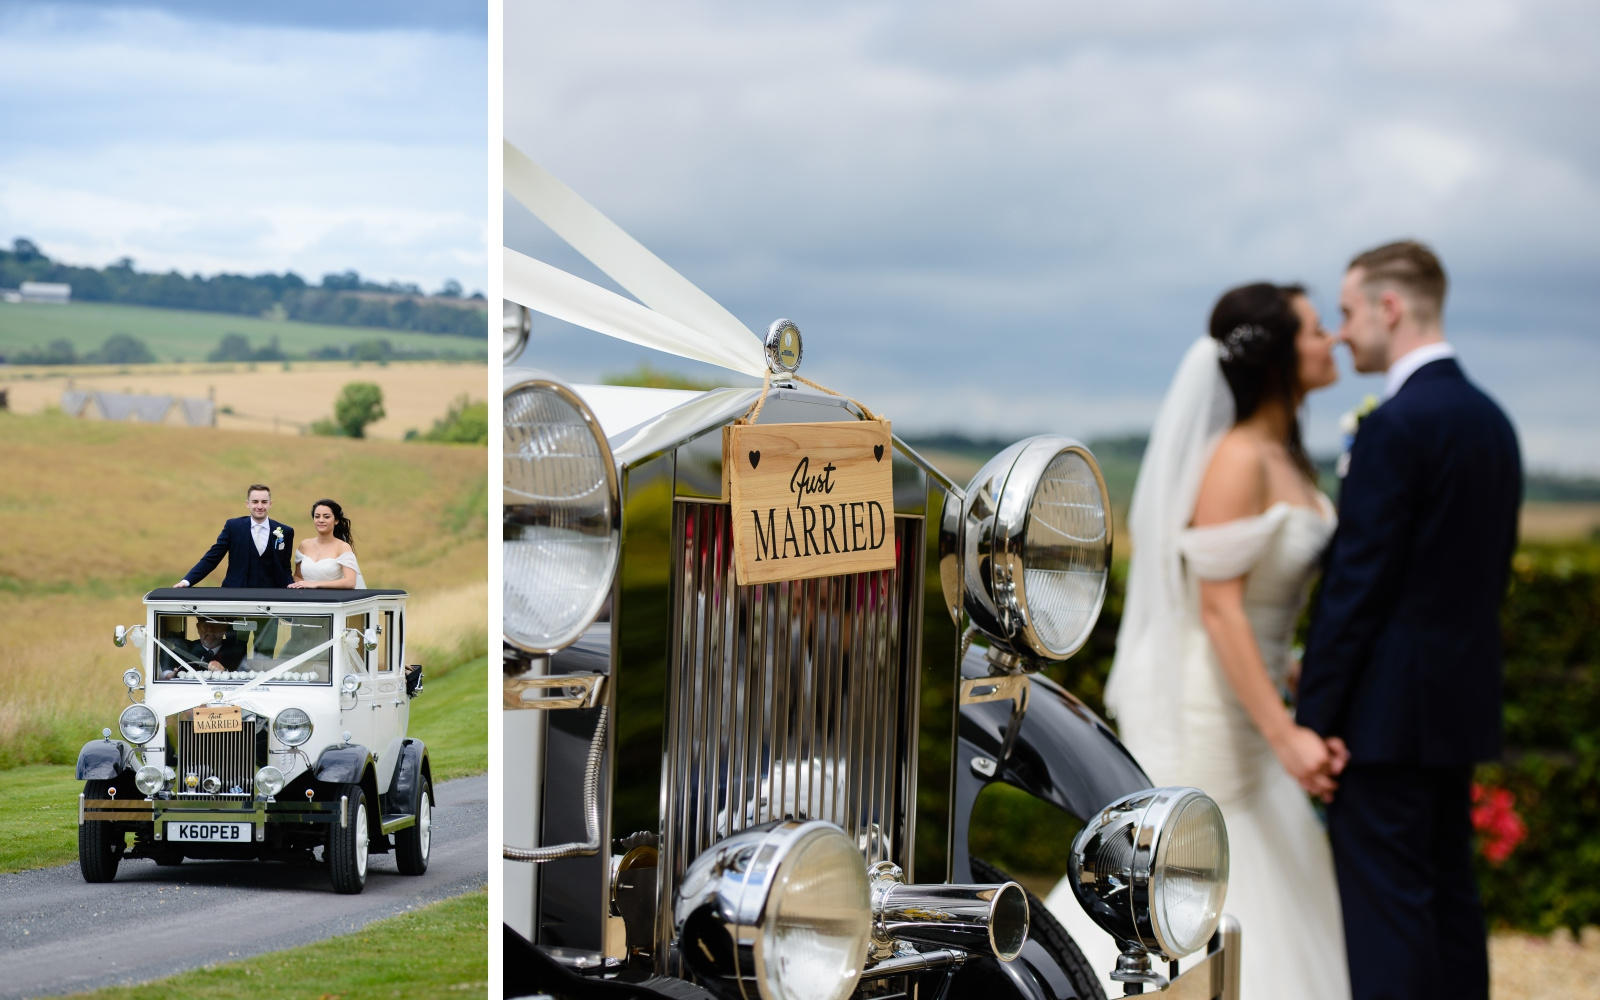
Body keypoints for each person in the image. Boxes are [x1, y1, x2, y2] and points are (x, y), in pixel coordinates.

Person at [1045, 282, 1350, 1000]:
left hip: (1255, 690)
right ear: (1277, 355)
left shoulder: (1285, 452)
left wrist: (1293, 671)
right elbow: (1221, 613)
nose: (1330, 339)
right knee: (1197, 862)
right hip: (1212, 703)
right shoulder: (1239, 459)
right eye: (1313, 330)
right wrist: (1286, 736)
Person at [1297, 241, 1520, 1000]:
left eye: (1350, 311)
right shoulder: (1493, 421)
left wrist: (1313, 717)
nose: (1343, 330)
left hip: (1384, 719)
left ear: (1390, 308)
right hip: (1458, 711)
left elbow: (1358, 589)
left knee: (1389, 918)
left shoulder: (1397, 425)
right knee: (1450, 905)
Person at [175, 483, 294, 588]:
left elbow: (285, 567)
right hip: (236, 593)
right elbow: (212, 557)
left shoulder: (285, 531)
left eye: (264, 502)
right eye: (255, 502)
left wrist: (291, 588)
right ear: (247, 504)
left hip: (270, 596)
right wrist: (187, 581)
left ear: (270, 504)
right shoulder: (233, 527)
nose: (259, 506)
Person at [288, 498, 366, 589]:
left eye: (326, 517)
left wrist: (315, 584)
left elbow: (350, 582)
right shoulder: (304, 545)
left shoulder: (342, 547)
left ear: (336, 520)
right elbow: (298, 576)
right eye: (317, 516)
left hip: (331, 600)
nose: (321, 520)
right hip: (306, 599)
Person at [160, 618, 246, 678]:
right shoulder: (184, 649)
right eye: (205, 626)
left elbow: (247, 675)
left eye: (215, 626)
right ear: (198, 628)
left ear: (224, 629)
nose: (209, 630)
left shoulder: (237, 652)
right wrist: (169, 675)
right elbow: (165, 670)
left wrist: (225, 672)